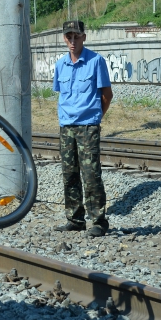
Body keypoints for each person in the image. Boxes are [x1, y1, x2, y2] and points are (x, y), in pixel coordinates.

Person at [53, 20, 113, 237]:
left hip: (88, 126)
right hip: (66, 126)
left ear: (84, 37)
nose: (72, 41)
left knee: (91, 174)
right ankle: (75, 219)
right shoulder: (61, 64)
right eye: (68, 36)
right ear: (64, 38)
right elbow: (61, 94)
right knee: (69, 174)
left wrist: (94, 118)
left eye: (76, 36)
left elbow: (107, 95)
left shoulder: (96, 61)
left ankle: (98, 221)